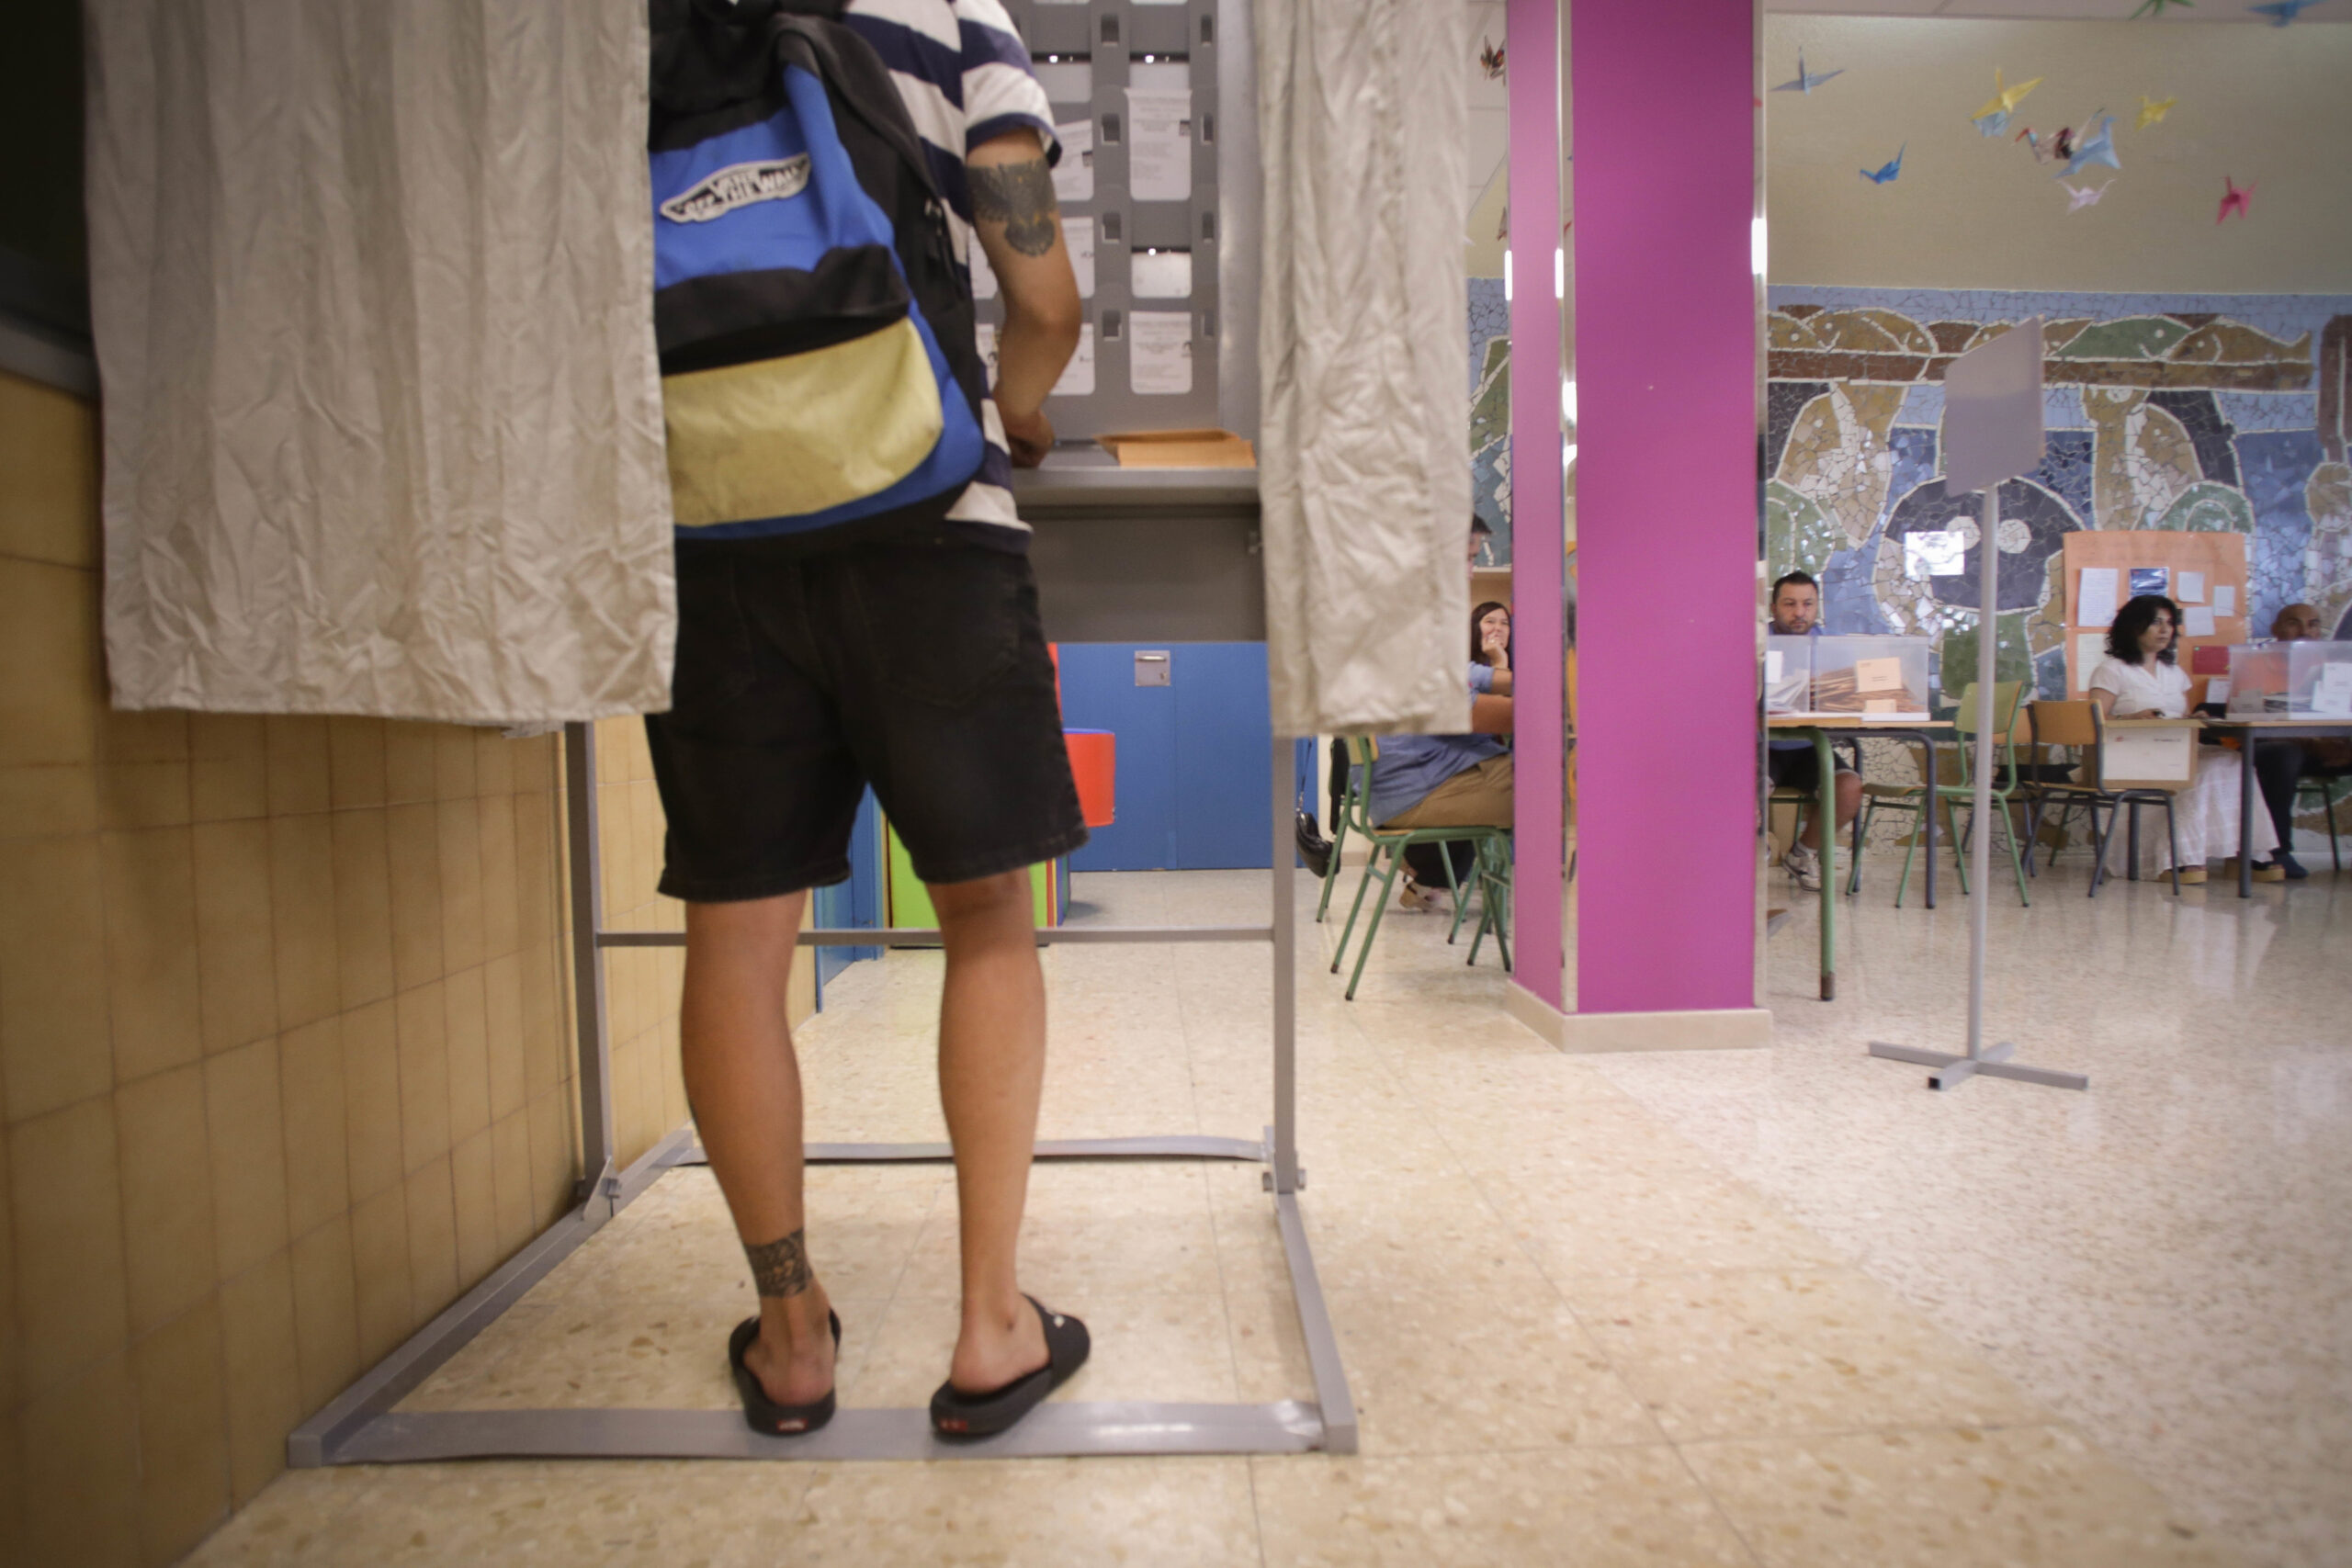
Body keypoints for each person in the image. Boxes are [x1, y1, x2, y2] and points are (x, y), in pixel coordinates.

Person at [646, 0, 1091, 1441]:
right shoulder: (952, 15)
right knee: (984, 916)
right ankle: (990, 1323)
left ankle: (790, 1336)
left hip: (708, 533)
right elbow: (1044, 300)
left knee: (737, 938)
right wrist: (1015, 410)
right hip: (929, 519)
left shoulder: (634, 28)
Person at [2086, 594, 2277, 884]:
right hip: (2130, 755)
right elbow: (2093, 722)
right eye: (2156, 622)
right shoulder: (2112, 669)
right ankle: (2180, 858)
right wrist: (2131, 718)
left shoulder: (2174, 673)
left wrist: (2196, 717)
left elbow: (2181, 717)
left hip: (2176, 749)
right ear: (2134, 626)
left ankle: (2246, 855)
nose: (2165, 629)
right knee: (2199, 771)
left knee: (2234, 762)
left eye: (2170, 623)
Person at [1763, 570, 1860, 892]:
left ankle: (1802, 854)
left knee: (1849, 788)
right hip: (1762, 745)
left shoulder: (1830, 648)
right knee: (1744, 788)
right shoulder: (1756, 644)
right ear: (1774, 607)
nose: (1799, 612)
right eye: (1789, 604)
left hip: (1809, 746)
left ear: (1817, 607)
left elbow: (1848, 697)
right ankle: (1753, 850)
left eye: (1807, 604)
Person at [2246, 604, 2352, 879]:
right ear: (2276, 629)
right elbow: (2252, 715)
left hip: (2329, 748)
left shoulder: (2336, 664)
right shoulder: (2254, 663)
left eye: (2313, 624)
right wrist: (2313, 742)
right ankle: (2275, 850)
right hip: (2272, 746)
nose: (2305, 631)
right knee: (2284, 755)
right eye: (2294, 623)